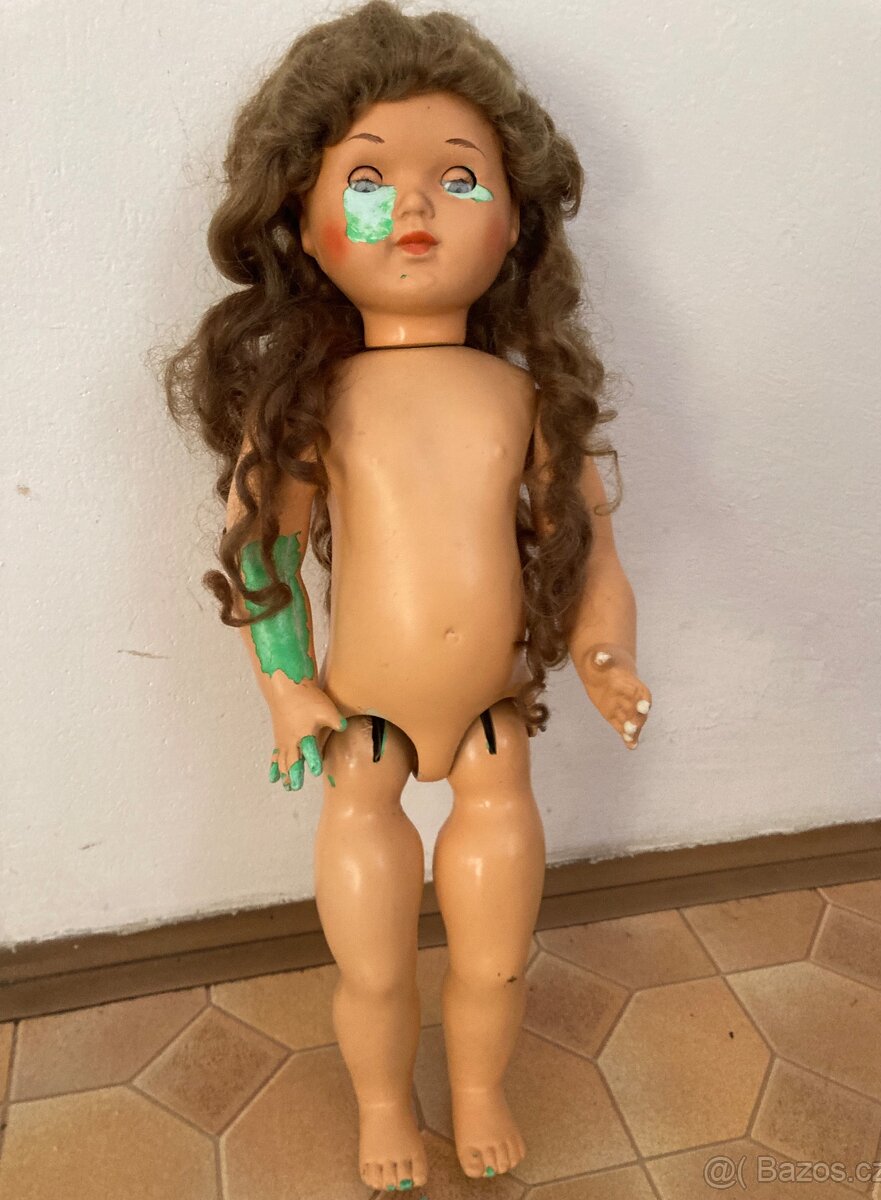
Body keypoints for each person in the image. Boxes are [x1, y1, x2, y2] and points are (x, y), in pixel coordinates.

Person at [163, 1, 652, 1191]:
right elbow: (263, 559)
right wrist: (289, 693)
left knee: (495, 956)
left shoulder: (525, 401)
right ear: (304, 224)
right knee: (375, 965)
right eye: (370, 182)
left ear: (515, 221)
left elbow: (589, 548)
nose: (418, 205)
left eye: (460, 178)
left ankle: (477, 1088)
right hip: (362, 734)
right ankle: (385, 1105)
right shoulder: (312, 405)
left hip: (492, 729)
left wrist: (604, 653)